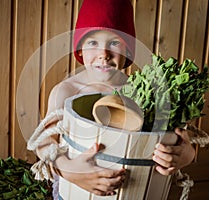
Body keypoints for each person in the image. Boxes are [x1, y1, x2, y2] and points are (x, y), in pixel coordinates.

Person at [27, 0, 195, 199]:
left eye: (114, 43)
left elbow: (177, 138)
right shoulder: (65, 92)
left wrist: (186, 155)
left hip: (132, 189)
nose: (103, 54)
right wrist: (71, 170)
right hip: (75, 191)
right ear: (80, 50)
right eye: (92, 43)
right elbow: (44, 142)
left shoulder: (140, 93)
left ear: (128, 51)